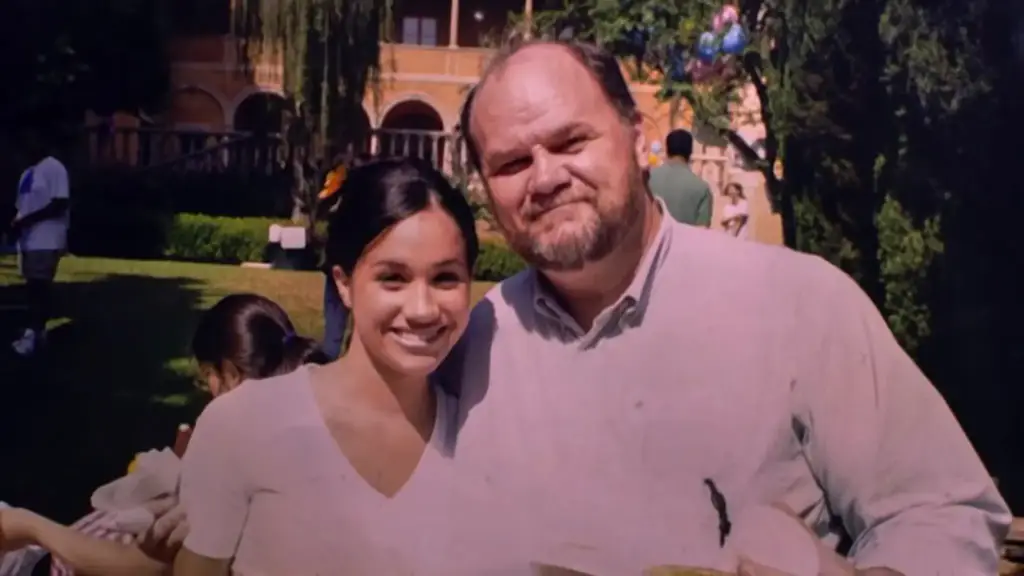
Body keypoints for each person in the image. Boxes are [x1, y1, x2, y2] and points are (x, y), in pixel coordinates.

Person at [446, 39, 1010, 574]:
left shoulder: (797, 304)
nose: (545, 178)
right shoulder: (473, 346)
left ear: (636, 137)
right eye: (512, 164)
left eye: (571, 142)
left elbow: (942, 512)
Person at [173, 158, 479, 575]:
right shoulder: (242, 424)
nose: (422, 309)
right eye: (393, 278)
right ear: (343, 283)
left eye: (445, 278)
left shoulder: (482, 447)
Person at [0, 293, 327, 575]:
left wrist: (30, 526)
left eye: (207, 378)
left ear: (230, 373)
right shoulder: (305, 432)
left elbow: (141, 565)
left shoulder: (238, 462)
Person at [9, 123, 71, 356]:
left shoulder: (54, 168)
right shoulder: (27, 173)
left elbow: (60, 203)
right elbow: (22, 206)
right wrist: (17, 224)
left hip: (46, 239)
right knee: (32, 288)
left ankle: (32, 336)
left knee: (38, 288)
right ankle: (37, 333)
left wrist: (27, 221)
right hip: (28, 241)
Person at [647, 128, 713, 227]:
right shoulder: (702, 188)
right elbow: (702, 230)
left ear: (667, 149)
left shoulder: (646, 179)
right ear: (690, 152)